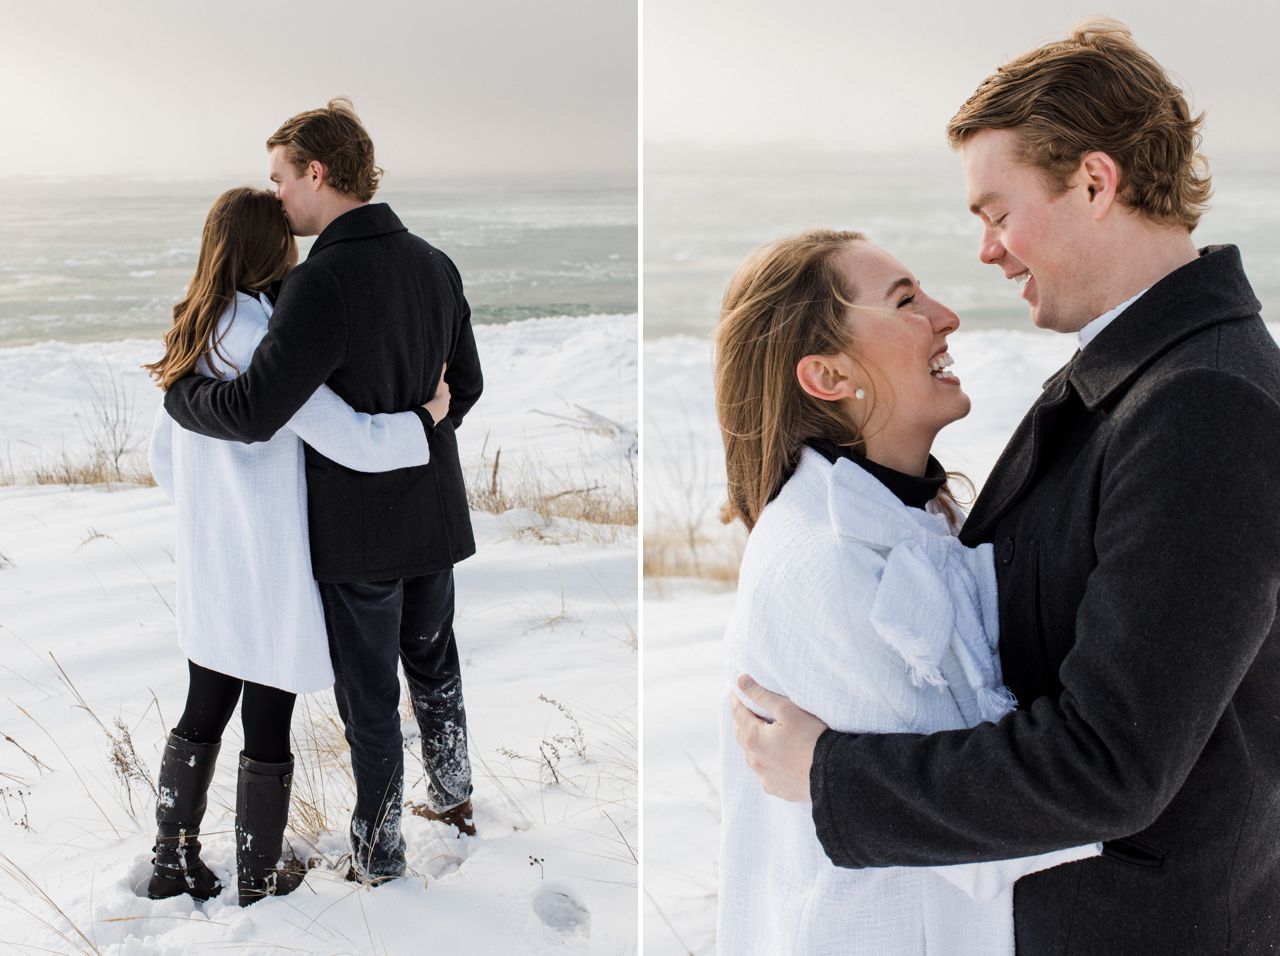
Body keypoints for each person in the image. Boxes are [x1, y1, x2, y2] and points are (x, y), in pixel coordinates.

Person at [731, 21, 1280, 954]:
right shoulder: (1130, 373)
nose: (986, 252)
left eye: (996, 212)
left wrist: (831, 779)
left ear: (1095, 183)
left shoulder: (1201, 403)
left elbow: (1109, 763)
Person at [714, 228, 1096, 954]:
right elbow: (980, 826)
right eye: (905, 301)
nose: (946, 315)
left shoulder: (920, 517)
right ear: (828, 376)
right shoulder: (831, 562)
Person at [163, 98, 484, 884]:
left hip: (356, 531)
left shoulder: (317, 284)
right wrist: (425, 423)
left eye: (280, 177)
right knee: (434, 662)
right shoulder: (436, 264)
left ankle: (379, 850)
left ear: (316, 172)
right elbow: (466, 387)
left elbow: (256, 411)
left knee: (369, 696)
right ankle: (454, 796)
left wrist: (180, 395)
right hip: (433, 512)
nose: (277, 196)